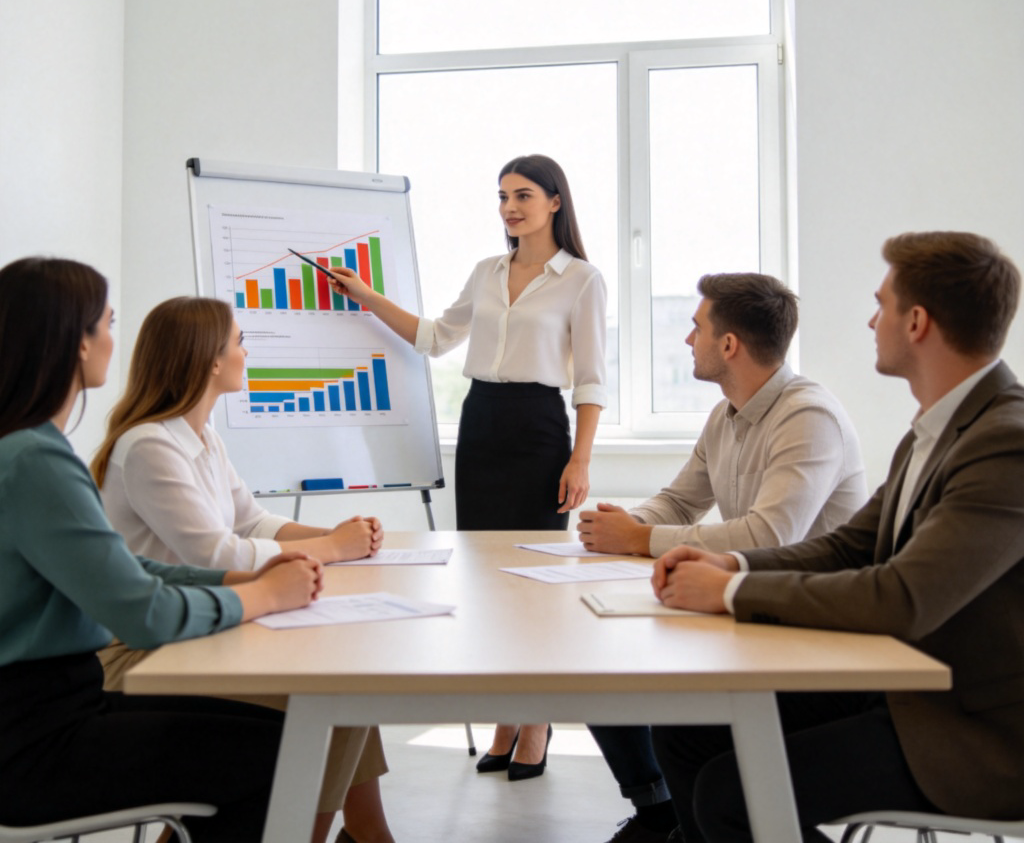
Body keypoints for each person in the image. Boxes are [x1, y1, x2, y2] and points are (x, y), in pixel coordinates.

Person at [649, 231, 1024, 843]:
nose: (872, 321)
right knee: (685, 729)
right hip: (901, 687)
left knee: (730, 795)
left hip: (971, 728)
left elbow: (902, 597)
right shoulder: (934, 430)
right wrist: (732, 564)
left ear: (917, 323)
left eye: (882, 305)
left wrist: (732, 593)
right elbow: (850, 546)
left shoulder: (1007, 440)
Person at [0, 256, 323, 840]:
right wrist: (268, 595)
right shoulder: (36, 460)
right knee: (279, 756)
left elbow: (122, 568)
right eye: (107, 324)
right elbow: (144, 614)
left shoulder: (28, 448)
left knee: (287, 737)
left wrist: (233, 582)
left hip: (50, 710)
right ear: (78, 342)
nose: (113, 340)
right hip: (33, 739)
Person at [329, 153, 607, 780]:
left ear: (555, 201)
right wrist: (366, 297)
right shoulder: (487, 272)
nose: (510, 208)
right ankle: (506, 718)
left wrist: (581, 458)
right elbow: (434, 337)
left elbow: (591, 380)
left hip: (539, 429)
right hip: (481, 424)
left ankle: (536, 722)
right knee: (487, 580)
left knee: (535, 583)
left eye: (523, 195)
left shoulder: (582, 279)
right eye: (502, 197)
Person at [575, 272, 868, 843]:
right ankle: (662, 815)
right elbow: (680, 499)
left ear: (729, 344)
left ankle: (692, 828)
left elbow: (768, 535)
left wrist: (638, 539)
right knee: (596, 663)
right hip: (748, 611)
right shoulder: (725, 414)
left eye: (697, 327)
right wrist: (625, 523)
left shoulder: (809, 418)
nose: (688, 340)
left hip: (812, 632)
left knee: (680, 721)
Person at [91, 295, 394, 843]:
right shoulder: (149, 447)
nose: (246, 353)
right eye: (239, 341)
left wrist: (334, 535)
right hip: (143, 649)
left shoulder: (201, 435)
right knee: (331, 694)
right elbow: (217, 555)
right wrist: (333, 548)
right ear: (210, 359)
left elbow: (251, 521)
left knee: (348, 679)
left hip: (197, 625)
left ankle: (367, 832)